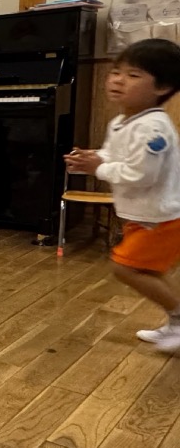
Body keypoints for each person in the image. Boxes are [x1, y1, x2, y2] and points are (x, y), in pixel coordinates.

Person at [65, 39, 180, 351]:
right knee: (146, 270)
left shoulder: (152, 128)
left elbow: (141, 175)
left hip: (161, 217)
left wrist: (98, 168)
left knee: (124, 268)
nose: (117, 80)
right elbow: (116, 156)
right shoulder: (122, 121)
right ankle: (175, 323)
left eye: (133, 75)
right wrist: (95, 157)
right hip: (144, 214)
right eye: (115, 72)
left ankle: (179, 320)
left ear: (162, 87)